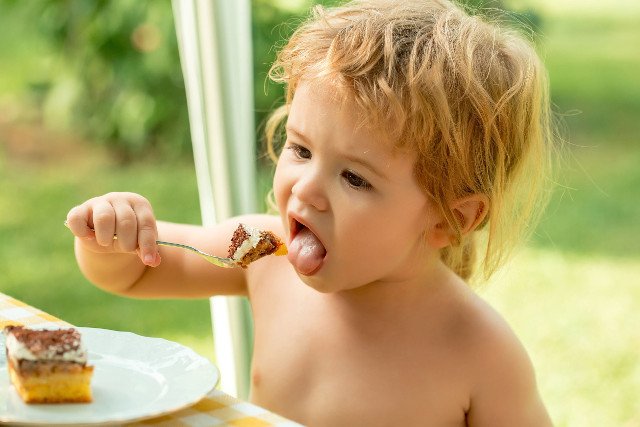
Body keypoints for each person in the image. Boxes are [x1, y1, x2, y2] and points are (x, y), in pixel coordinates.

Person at [66, 0, 555, 425]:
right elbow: (134, 275)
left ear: (452, 219)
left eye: (355, 178)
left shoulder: (480, 353)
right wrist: (113, 234)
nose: (308, 189)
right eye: (301, 150)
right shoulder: (261, 255)